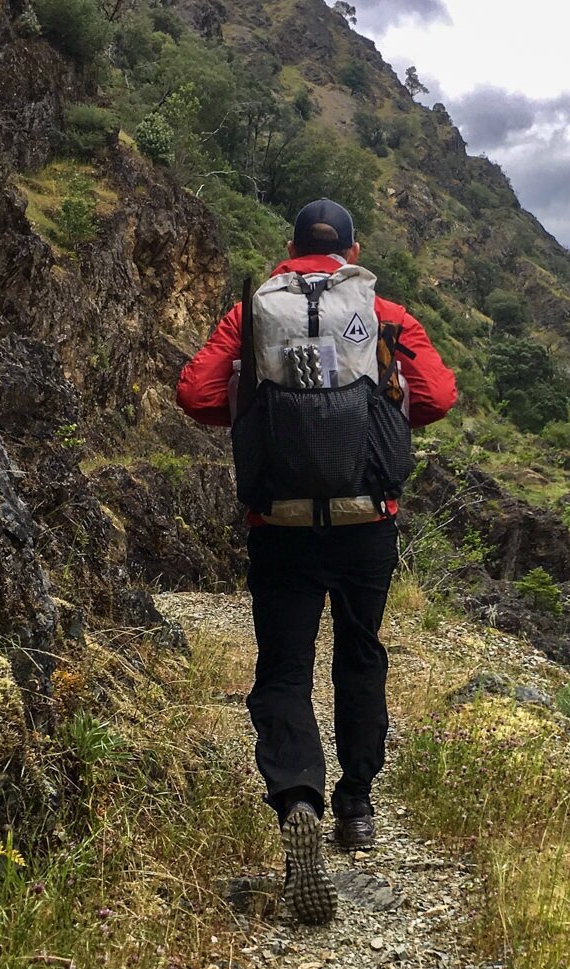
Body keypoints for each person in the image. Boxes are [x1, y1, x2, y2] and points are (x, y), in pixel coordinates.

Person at [177, 200, 457, 924]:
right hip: (368, 522)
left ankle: (296, 794)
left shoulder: (254, 313)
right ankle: (356, 805)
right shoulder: (384, 311)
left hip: (281, 522)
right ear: (352, 250)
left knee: (283, 668)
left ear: (288, 247)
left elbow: (196, 392)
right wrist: (375, 404)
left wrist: (258, 409)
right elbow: (437, 398)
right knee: (360, 655)